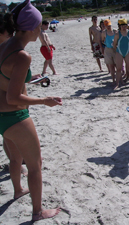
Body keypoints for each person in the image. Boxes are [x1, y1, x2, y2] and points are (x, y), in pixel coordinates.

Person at [0, 0, 62, 221]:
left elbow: (7, 82)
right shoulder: (23, 55)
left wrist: (30, 80)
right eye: (38, 26)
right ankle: (38, 212)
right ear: (29, 27)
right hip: (15, 116)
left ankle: (17, 190)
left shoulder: (4, 45)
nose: (40, 30)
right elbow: (13, 97)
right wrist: (44, 100)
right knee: (35, 165)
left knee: (15, 159)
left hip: (1, 118)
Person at [113, 18, 129, 90]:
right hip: (119, 52)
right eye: (122, 25)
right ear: (119, 26)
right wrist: (117, 51)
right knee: (118, 69)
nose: (124, 27)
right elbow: (114, 44)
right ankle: (117, 84)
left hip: (127, 51)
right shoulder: (117, 33)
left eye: (125, 25)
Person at [102, 19, 117, 84]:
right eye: (107, 26)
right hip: (108, 50)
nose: (108, 27)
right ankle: (113, 80)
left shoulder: (115, 31)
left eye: (109, 25)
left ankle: (119, 79)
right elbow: (102, 41)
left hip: (115, 49)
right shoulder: (104, 32)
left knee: (117, 65)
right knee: (111, 66)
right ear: (105, 26)